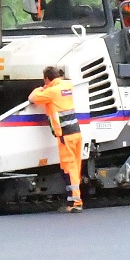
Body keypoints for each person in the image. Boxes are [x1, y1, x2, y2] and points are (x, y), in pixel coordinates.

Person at [29, 65, 83, 212]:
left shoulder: (51, 92)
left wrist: (41, 88)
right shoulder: (67, 85)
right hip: (76, 132)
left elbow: (32, 98)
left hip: (65, 135)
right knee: (75, 167)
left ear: (47, 79)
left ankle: (76, 204)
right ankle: (72, 201)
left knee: (69, 167)